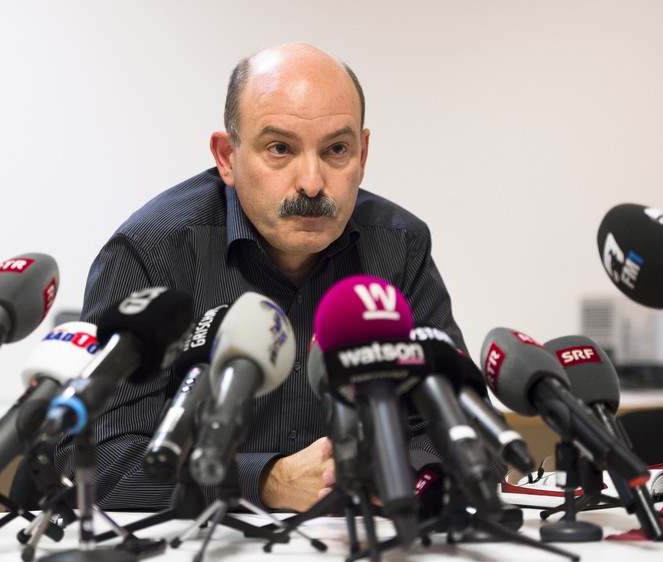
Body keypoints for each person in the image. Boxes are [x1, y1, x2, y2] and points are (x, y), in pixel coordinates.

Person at [55, 42, 478, 514]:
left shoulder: (399, 246)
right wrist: (264, 479)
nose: (313, 183)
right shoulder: (151, 250)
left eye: (337, 150)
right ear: (226, 157)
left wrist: (409, 478)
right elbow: (94, 460)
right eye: (280, 149)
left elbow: (459, 427)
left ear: (363, 152)